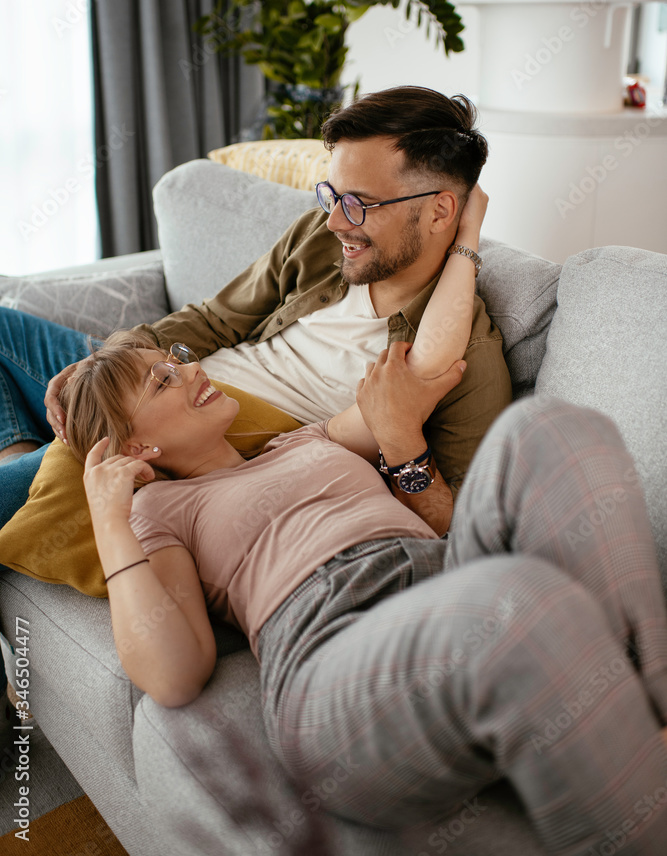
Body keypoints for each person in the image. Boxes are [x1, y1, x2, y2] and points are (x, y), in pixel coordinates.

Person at [57, 186, 667, 856]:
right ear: (137, 448)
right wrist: (108, 516)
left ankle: (650, 695)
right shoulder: (160, 510)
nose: (189, 369)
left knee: (549, 427)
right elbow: (173, 674)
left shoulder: (303, 441)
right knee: (510, 601)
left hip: (442, 578)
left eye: (173, 361)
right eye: (162, 382)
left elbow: (425, 369)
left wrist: (463, 236)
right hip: (333, 662)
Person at [0, 87, 512, 534]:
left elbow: (456, 523)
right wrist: (113, 361)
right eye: (330, 195)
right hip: (160, 377)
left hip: (185, 426)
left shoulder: (462, 348)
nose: (334, 220)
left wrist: (403, 450)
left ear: (441, 210)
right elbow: (215, 322)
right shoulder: (320, 237)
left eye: (357, 202)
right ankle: (18, 446)